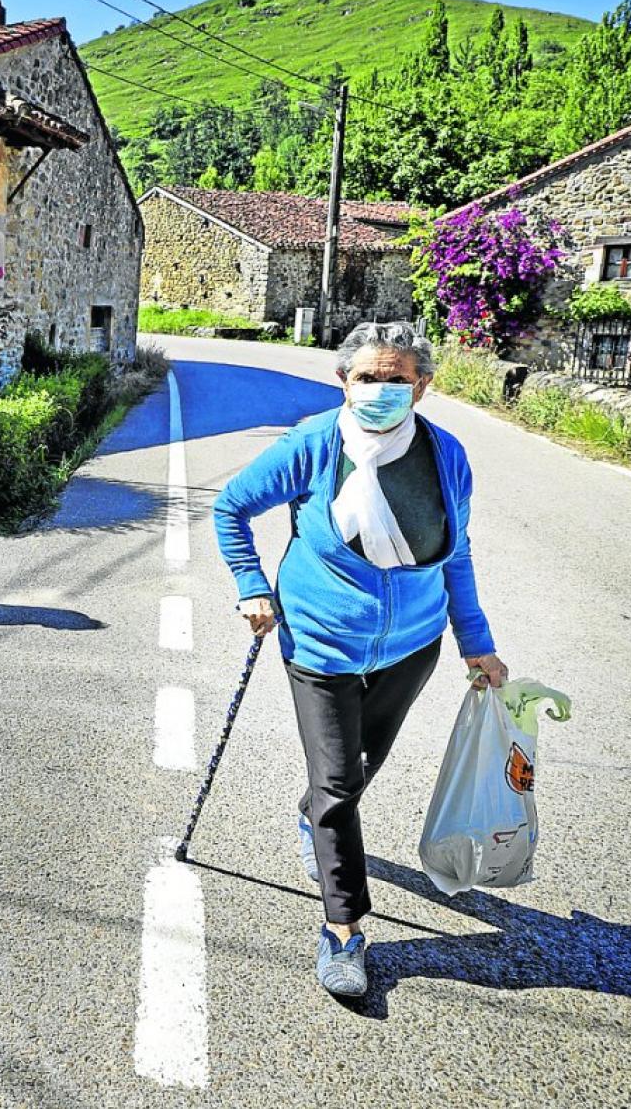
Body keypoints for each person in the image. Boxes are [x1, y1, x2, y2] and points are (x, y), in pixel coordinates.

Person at [211, 321, 508, 998]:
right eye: (367, 377)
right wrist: (252, 586)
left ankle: (316, 812)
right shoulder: (313, 445)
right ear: (342, 380)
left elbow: (455, 552)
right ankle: (344, 932)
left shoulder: (446, 455)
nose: (379, 390)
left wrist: (478, 642)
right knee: (341, 786)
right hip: (321, 642)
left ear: (422, 388)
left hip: (412, 645)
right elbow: (230, 508)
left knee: (355, 771)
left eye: (396, 379)